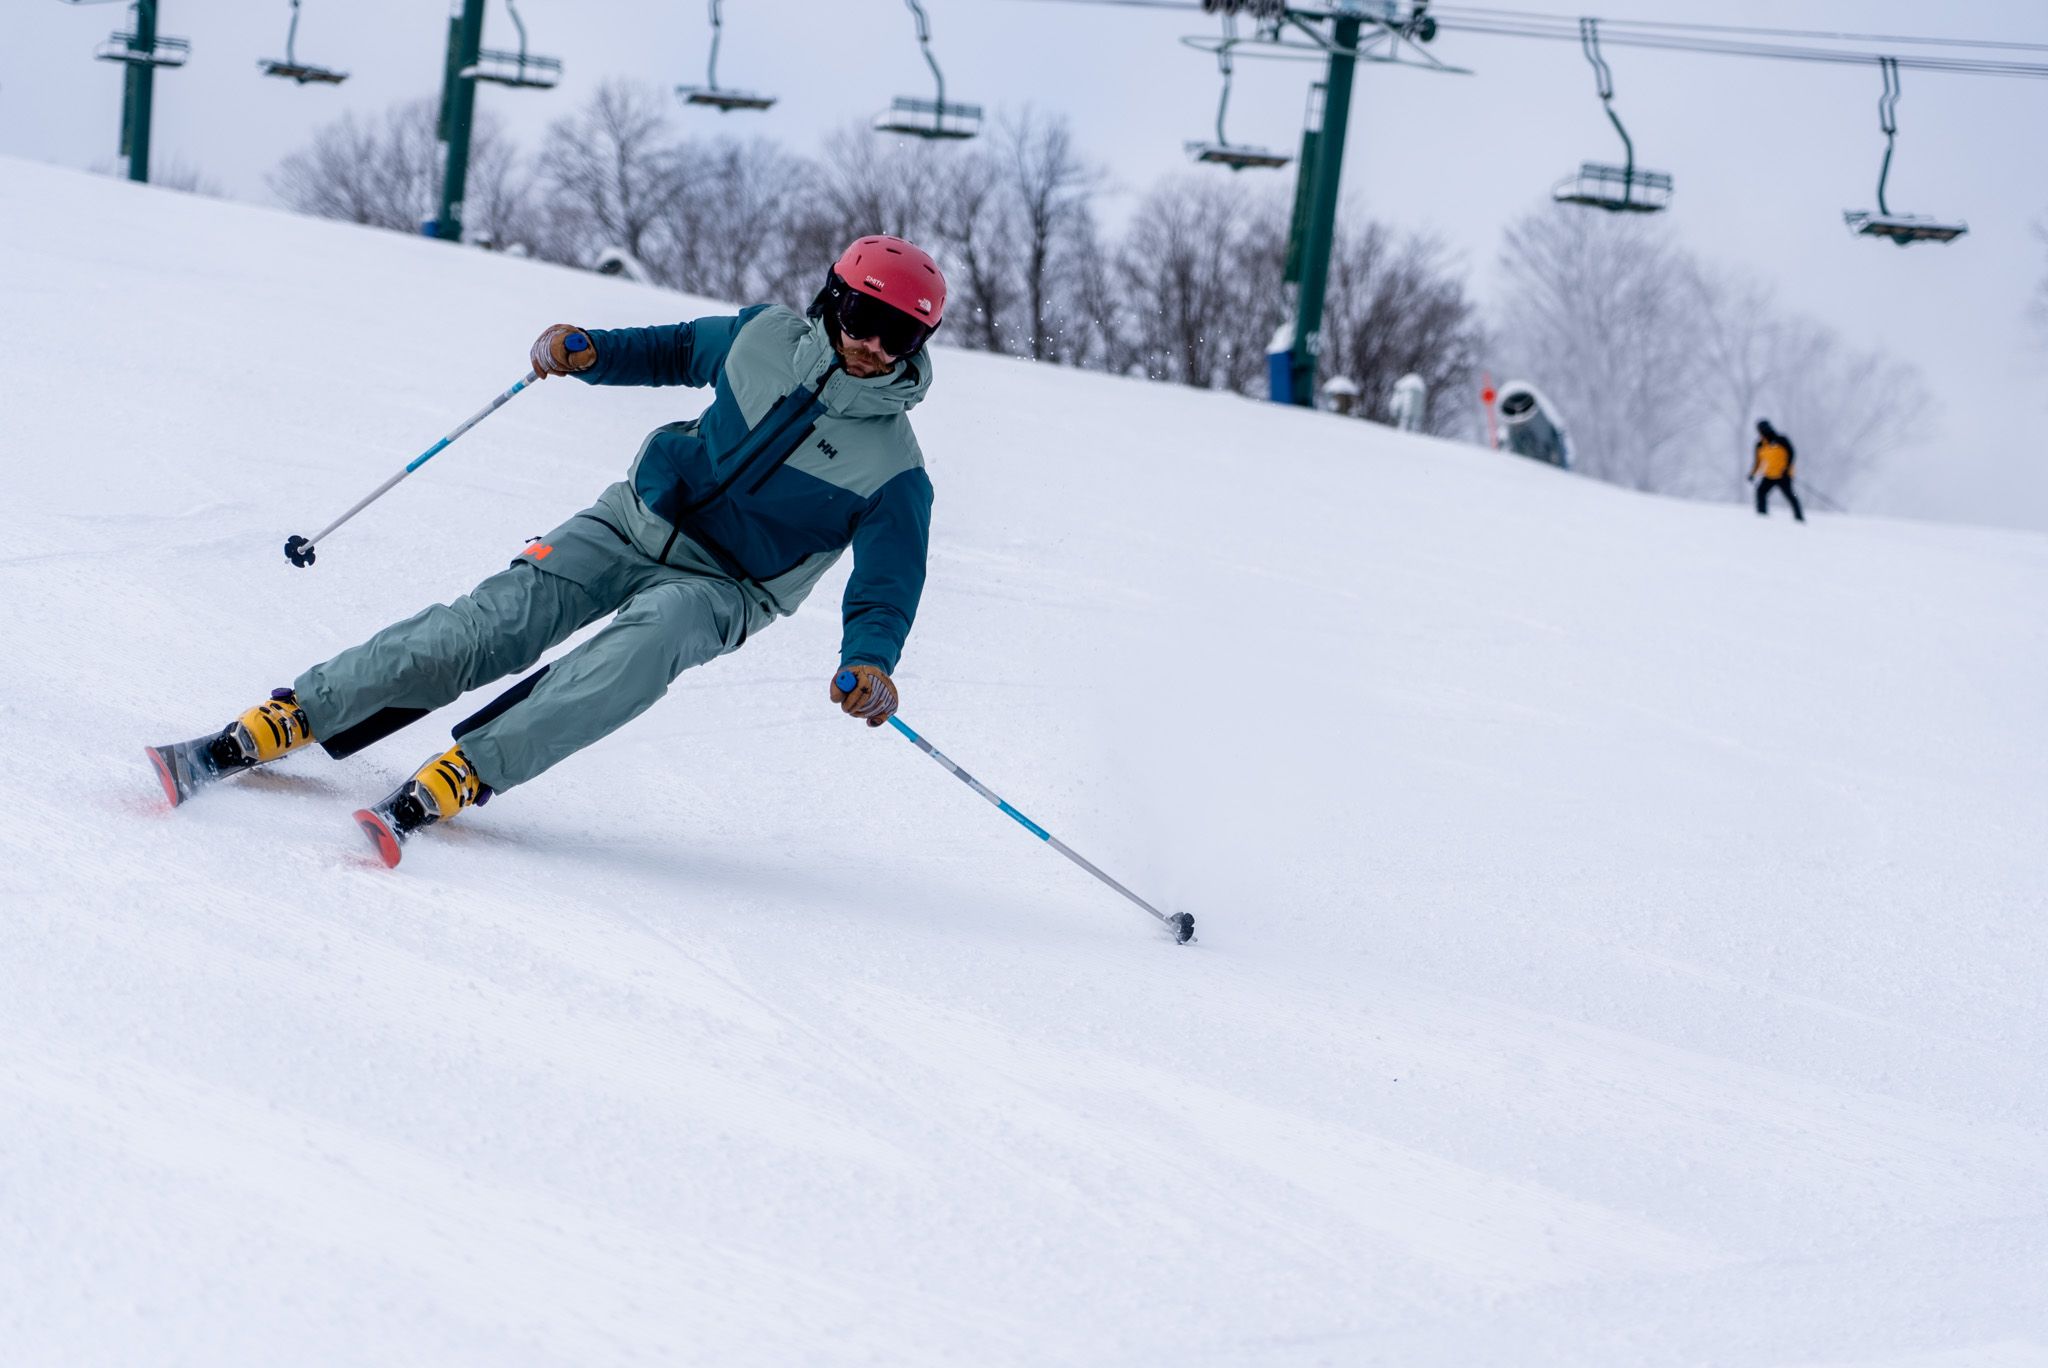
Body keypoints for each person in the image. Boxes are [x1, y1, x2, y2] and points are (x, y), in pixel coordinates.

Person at [149, 235, 946, 864]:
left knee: (646, 645)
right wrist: (591, 351)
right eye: (863, 318)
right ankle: (294, 715)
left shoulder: (895, 468)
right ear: (830, 300)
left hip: (726, 587)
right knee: (493, 623)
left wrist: (871, 661)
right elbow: (675, 349)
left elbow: (888, 581)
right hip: (632, 518)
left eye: (900, 334)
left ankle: (471, 769)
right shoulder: (761, 337)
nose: (875, 345)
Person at [1749, 419, 1805, 522]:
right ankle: (1762, 516)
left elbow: (1791, 454)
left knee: (1791, 495)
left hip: (1783, 475)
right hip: (1769, 475)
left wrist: (1787, 469)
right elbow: (1757, 462)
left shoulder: (1781, 440)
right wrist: (1752, 474)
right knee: (1761, 492)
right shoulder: (1760, 445)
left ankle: (1799, 518)